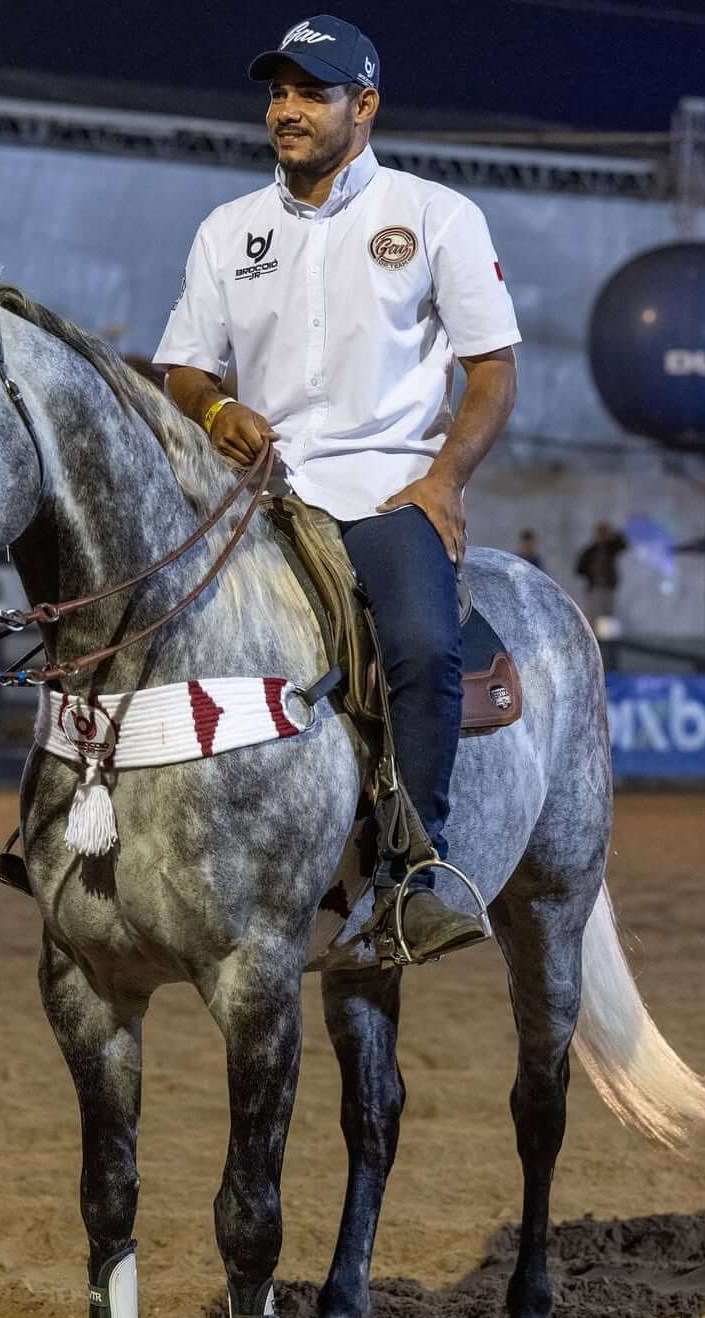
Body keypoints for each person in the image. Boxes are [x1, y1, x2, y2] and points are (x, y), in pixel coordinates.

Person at [155, 15, 520, 959]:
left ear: (365, 106)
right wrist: (212, 412)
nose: (287, 110)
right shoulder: (226, 229)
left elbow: (492, 370)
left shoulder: (437, 215)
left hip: (386, 487)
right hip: (260, 494)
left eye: (311, 93)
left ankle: (420, 867)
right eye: (277, 92)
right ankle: (72, 823)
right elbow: (186, 370)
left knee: (419, 645)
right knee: (130, 599)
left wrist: (443, 482)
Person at [575, 522, 627, 629]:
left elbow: (623, 544)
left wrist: (614, 534)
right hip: (594, 588)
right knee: (593, 615)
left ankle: (607, 639)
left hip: (608, 587)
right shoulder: (590, 551)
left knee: (608, 615)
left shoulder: (610, 548)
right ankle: (595, 638)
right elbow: (579, 569)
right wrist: (590, 571)